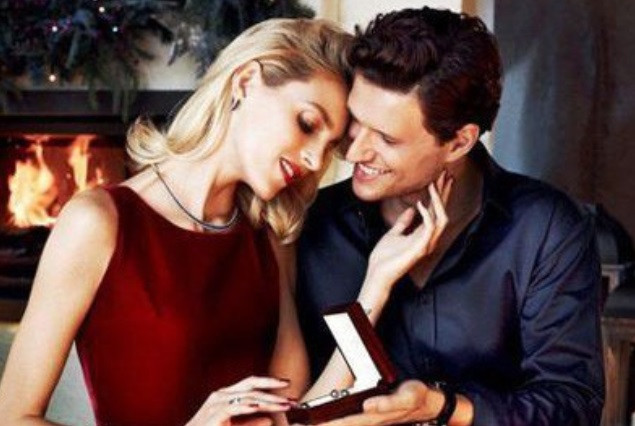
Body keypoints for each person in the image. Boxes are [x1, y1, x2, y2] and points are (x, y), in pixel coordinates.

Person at [0, 18, 352, 426]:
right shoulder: (98, 222)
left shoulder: (270, 233)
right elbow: (13, 416)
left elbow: (289, 413)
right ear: (245, 82)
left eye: (329, 147)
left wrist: (378, 282)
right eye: (307, 124)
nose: (314, 159)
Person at [295, 7, 605, 426]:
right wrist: (375, 287)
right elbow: (293, 403)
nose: (354, 151)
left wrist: (442, 408)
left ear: (459, 142)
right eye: (356, 121)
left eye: (386, 138)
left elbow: (572, 406)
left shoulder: (546, 230)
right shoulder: (312, 225)